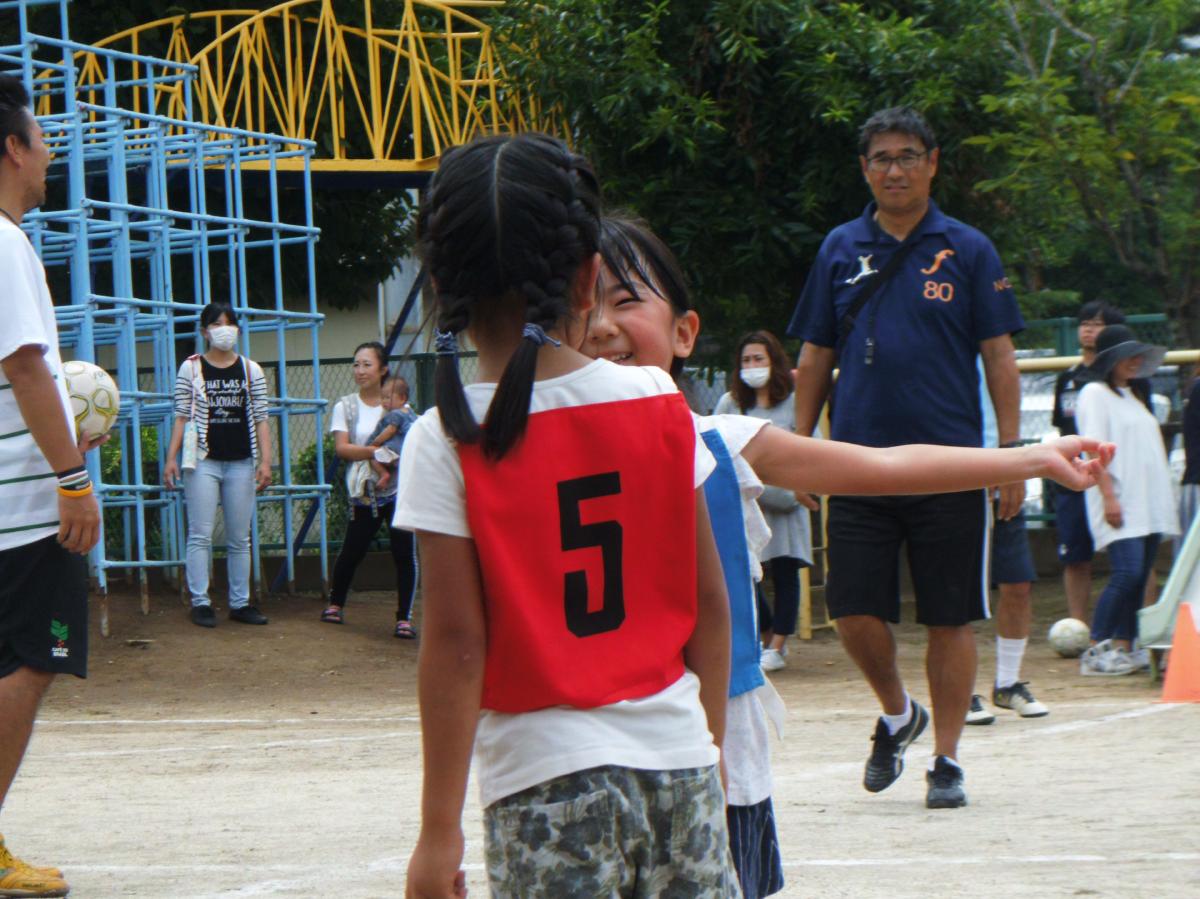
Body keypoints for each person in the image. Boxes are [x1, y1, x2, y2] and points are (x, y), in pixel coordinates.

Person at [584, 212, 1110, 886]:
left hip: (719, 746)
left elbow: (887, 465)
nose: (600, 325)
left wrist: (1030, 457)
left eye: (625, 300)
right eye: (580, 304)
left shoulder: (719, 441)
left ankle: (933, 741)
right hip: (593, 743)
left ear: (685, 332)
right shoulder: (526, 449)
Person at [393, 134, 741, 899]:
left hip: (542, 782)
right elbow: (711, 607)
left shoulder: (445, 436)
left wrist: (438, 830)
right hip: (678, 762)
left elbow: (455, 644)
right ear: (588, 278)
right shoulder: (658, 401)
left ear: (441, 285)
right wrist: (709, 748)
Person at [787, 106, 1028, 809]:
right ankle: (898, 713)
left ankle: (947, 760)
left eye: (907, 156)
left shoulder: (969, 248)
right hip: (857, 464)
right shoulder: (839, 247)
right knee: (853, 611)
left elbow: (999, 356)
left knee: (951, 616)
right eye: (882, 158)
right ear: (864, 170)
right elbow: (814, 354)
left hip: (950, 465)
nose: (895, 169)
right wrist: (801, 448)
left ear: (932, 163)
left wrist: (1011, 455)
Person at [0, 72, 107, 898]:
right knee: (35, 660)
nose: (49, 156)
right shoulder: (6, 244)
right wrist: (73, 477)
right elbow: (28, 368)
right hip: (25, 507)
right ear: (12, 149)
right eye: (41, 141)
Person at [1075, 325, 1177, 676]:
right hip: (1121, 500)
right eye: (1127, 355)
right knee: (1127, 572)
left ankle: (1126, 645)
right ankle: (1096, 647)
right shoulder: (1093, 393)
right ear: (1110, 360)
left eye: (1137, 355)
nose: (1135, 361)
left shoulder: (1133, 395)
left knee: (1139, 574)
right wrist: (1108, 496)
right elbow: (1093, 448)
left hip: (1147, 501)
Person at [163, 302, 272, 628]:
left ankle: (240, 603)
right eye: (216, 324)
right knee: (200, 534)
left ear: (237, 328)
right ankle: (200, 602)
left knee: (240, 537)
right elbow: (181, 415)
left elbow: (262, 418)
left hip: (242, 461)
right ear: (204, 331)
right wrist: (171, 458)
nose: (224, 330)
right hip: (202, 461)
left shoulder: (251, 370)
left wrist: (266, 462)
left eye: (229, 323)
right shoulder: (191, 368)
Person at [714, 331, 816, 673]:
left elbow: (810, 447)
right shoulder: (730, 403)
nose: (752, 366)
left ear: (774, 362)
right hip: (746, 502)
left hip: (787, 504)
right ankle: (766, 634)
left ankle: (778, 645)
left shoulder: (795, 402)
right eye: (746, 360)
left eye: (758, 359)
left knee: (786, 572)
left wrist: (797, 488)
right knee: (747, 573)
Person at [321, 344, 418, 640]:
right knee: (353, 548)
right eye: (356, 365)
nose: (360, 371)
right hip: (366, 489)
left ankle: (404, 618)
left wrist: (382, 455)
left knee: (404, 552)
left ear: (383, 369)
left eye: (366, 364)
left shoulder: (400, 405)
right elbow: (342, 448)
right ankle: (335, 603)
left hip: (400, 488)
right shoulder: (346, 406)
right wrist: (376, 452)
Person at [967, 374, 1048, 725]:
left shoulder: (995, 358)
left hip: (1000, 477)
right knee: (958, 591)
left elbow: (1006, 407)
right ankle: (962, 691)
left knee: (1018, 583)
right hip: (956, 478)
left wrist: (1012, 462)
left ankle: (1007, 683)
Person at [1052, 301, 1133, 622]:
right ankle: (1078, 627)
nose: (1089, 329)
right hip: (1074, 477)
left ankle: (1135, 627)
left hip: (1113, 476)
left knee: (1130, 556)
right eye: (1085, 323)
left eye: (1097, 324)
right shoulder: (1067, 379)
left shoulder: (1126, 381)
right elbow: (1062, 428)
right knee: (1076, 556)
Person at [366, 375, 417, 492]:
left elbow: (390, 431)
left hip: (393, 452)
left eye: (387, 398)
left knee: (371, 456)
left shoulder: (395, 414)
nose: (384, 401)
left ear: (402, 398)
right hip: (408, 452)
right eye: (382, 398)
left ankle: (384, 474)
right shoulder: (411, 413)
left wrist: (375, 443)